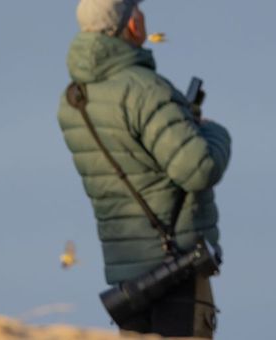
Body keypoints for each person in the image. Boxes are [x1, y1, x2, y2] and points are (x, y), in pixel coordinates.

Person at [57, 0, 232, 337]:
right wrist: (213, 132)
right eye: (137, 9)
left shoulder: (72, 99)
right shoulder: (145, 89)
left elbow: (130, 161)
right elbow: (199, 168)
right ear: (131, 24)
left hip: (127, 273)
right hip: (177, 264)